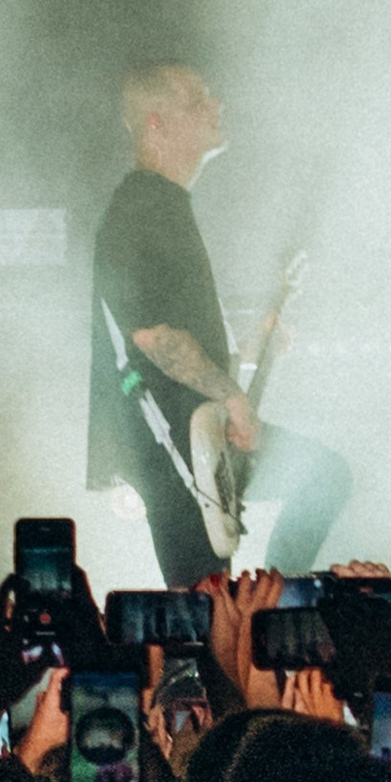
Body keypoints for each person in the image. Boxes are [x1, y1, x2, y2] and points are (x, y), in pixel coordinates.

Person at [86, 63, 345, 588]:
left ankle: (269, 608)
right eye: (197, 98)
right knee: (206, 605)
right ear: (156, 122)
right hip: (174, 444)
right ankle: (275, 607)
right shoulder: (143, 205)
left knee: (211, 602)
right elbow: (153, 339)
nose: (215, 105)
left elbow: (176, 344)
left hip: (194, 437)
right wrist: (232, 396)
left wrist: (246, 350)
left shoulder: (165, 205)